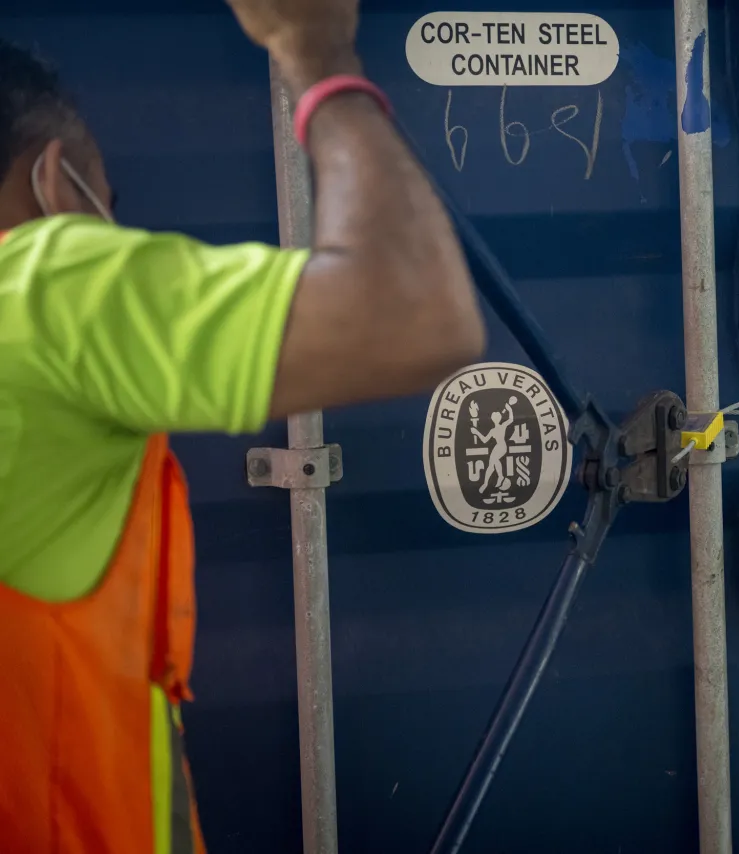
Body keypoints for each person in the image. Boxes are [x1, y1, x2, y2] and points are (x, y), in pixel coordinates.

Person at [0, 1, 485, 851]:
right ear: (53, 179)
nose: (111, 229)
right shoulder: (41, 288)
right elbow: (416, 313)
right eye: (105, 201)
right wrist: (315, 50)